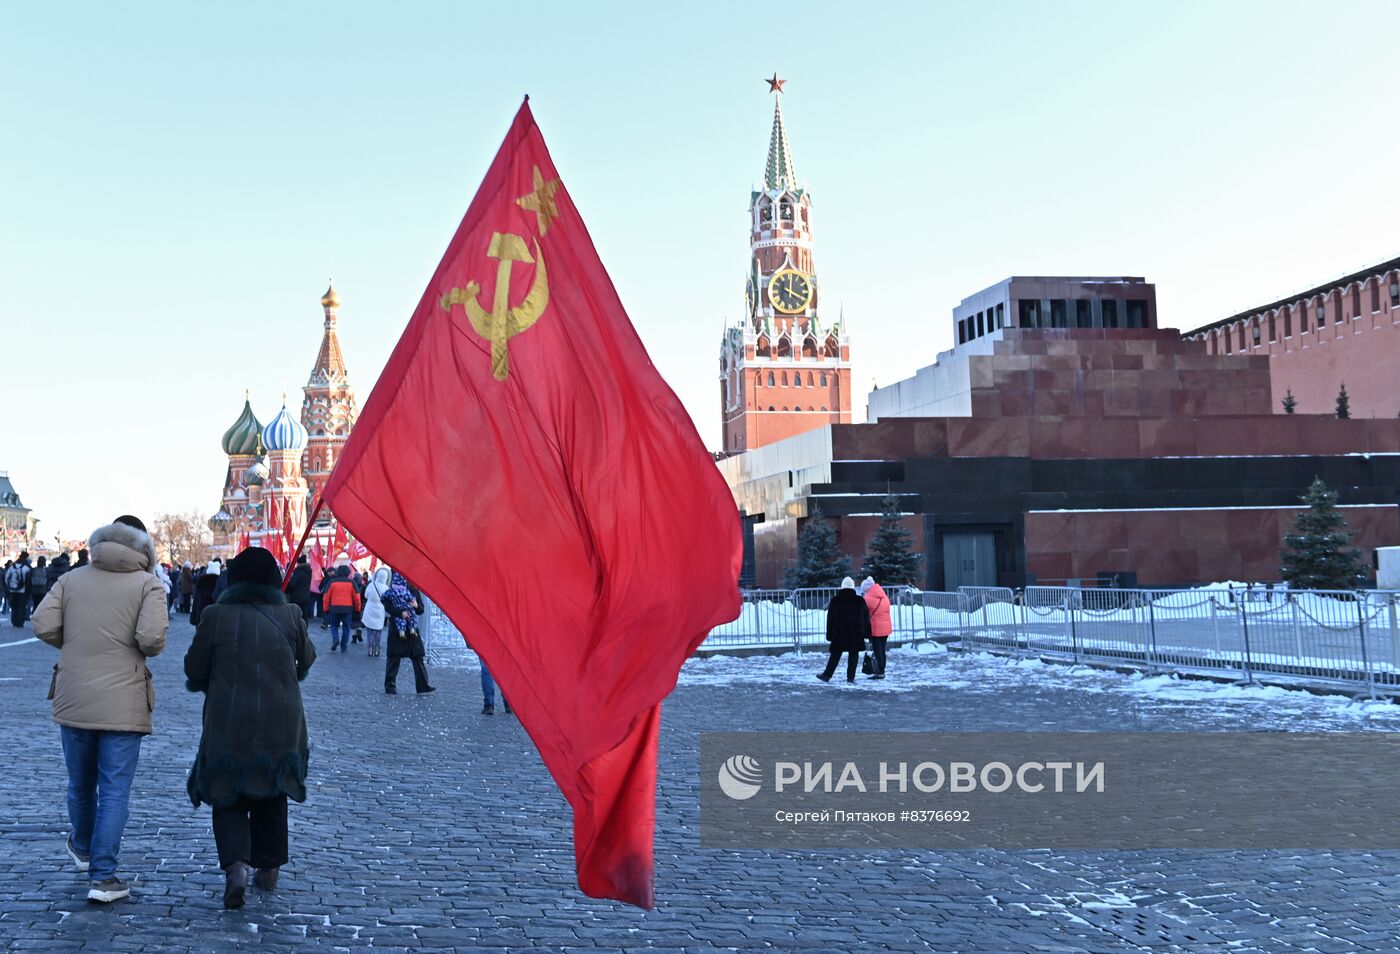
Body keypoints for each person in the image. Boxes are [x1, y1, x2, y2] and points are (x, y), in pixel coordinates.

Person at [31, 515, 168, 904]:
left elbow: (42, 624)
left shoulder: (70, 580)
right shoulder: (147, 585)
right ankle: (103, 876)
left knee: (79, 782)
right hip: (123, 699)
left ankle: (83, 846)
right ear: (143, 548)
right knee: (113, 790)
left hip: (73, 694)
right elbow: (151, 639)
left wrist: (74, 645)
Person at [184, 546, 315, 909]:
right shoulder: (289, 614)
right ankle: (269, 866)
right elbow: (306, 662)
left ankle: (237, 866)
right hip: (281, 719)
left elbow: (194, 669)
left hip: (228, 718)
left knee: (227, 793)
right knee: (273, 791)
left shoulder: (215, 615)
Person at [383, 572, 434, 694]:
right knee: (394, 657)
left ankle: (423, 685)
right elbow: (388, 607)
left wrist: (416, 606)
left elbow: (421, 609)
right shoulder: (392, 591)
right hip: (397, 629)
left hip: (411, 631)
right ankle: (390, 685)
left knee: (418, 657)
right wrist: (400, 613)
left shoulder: (413, 590)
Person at [817, 577, 871, 684]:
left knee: (836, 654)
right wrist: (867, 633)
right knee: (853, 654)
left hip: (839, 634)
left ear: (842, 587)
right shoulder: (860, 601)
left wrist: (830, 635)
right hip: (856, 633)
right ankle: (851, 677)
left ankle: (827, 675)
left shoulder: (835, 600)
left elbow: (830, 619)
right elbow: (866, 619)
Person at [321, 565, 360, 652]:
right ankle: (344, 647)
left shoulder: (332, 582)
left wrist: (325, 609)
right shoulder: (352, 583)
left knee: (334, 626)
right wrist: (357, 609)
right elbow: (357, 597)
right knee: (346, 628)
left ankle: (335, 639)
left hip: (334, 608)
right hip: (348, 609)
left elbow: (326, 597)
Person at [860, 576, 893, 680]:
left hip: (875, 628)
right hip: (886, 627)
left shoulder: (868, 598)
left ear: (867, 589)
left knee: (877, 650)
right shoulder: (884, 596)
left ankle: (879, 671)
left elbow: (863, 613)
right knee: (882, 650)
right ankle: (882, 670)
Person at [360, 566, 390, 658]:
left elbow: (366, 595)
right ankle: (377, 649)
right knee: (378, 631)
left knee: (369, 630)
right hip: (380, 610)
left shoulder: (371, 585)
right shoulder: (386, 588)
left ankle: (370, 649)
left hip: (370, 609)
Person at [190, 559, 220, 626]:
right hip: (215, 619)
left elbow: (196, 601)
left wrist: (193, 617)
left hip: (200, 617)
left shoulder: (201, 582)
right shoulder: (219, 583)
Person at [7, 552, 32, 626]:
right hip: (23, 590)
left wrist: (9, 586)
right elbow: (29, 581)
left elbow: (7, 577)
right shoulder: (26, 567)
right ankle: (20, 622)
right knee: (22, 606)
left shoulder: (12, 567)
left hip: (13, 590)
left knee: (14, 606)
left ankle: (14, 621)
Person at [285, 555, 313, 621]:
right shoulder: (308, 571)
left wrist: (287, 586)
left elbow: (292, 584)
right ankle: (304, 629)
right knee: (304, 616)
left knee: (296, 616)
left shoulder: (298, 571)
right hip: (306, 596)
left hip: (296, 597)